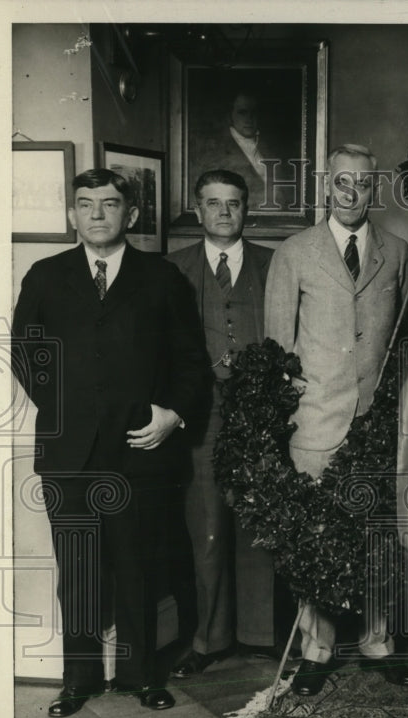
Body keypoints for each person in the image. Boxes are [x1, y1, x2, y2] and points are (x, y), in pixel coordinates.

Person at [11, 169, 210, 718]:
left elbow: (192, 363)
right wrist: (71, 410)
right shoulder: (45, 276)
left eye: (109, 204)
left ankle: (141, 675)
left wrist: (171, 415)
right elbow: (27, 355)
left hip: (141, 449)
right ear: (72, 214)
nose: (96, 214)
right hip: (69, 454)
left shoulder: (162, 278)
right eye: (85, 204)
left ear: (132, 214)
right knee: (76, 570)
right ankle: (77, 680)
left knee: (137, 566)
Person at [264, 143, 408, 698]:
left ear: (375, 188)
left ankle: (378, 643)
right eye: (342, 182)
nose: (353, 192)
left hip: (377, 422)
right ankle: (318, 649)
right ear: (327, 185)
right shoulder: (294, 253)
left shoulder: (397, 252)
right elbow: (276, 352)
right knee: (316, 539)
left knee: (378, 537)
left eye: (364, 183)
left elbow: (406, 342)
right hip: (315, 424)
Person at [166, 170, 277, 677]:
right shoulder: (171, 269)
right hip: (199, 416)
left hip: (261, 414)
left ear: (246, 208)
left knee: (258, 524)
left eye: (233, 203)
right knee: (205, 527)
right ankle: (210, 640)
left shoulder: (274, 264)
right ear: (197, 210)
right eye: (213, 203)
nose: (224, 212)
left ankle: (259, 635)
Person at [191, 91, 294, 213]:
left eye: (254, 113)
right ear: (230, 115)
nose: (249, 119)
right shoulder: (214, 153)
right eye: (242, 112)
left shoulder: (272, 149)